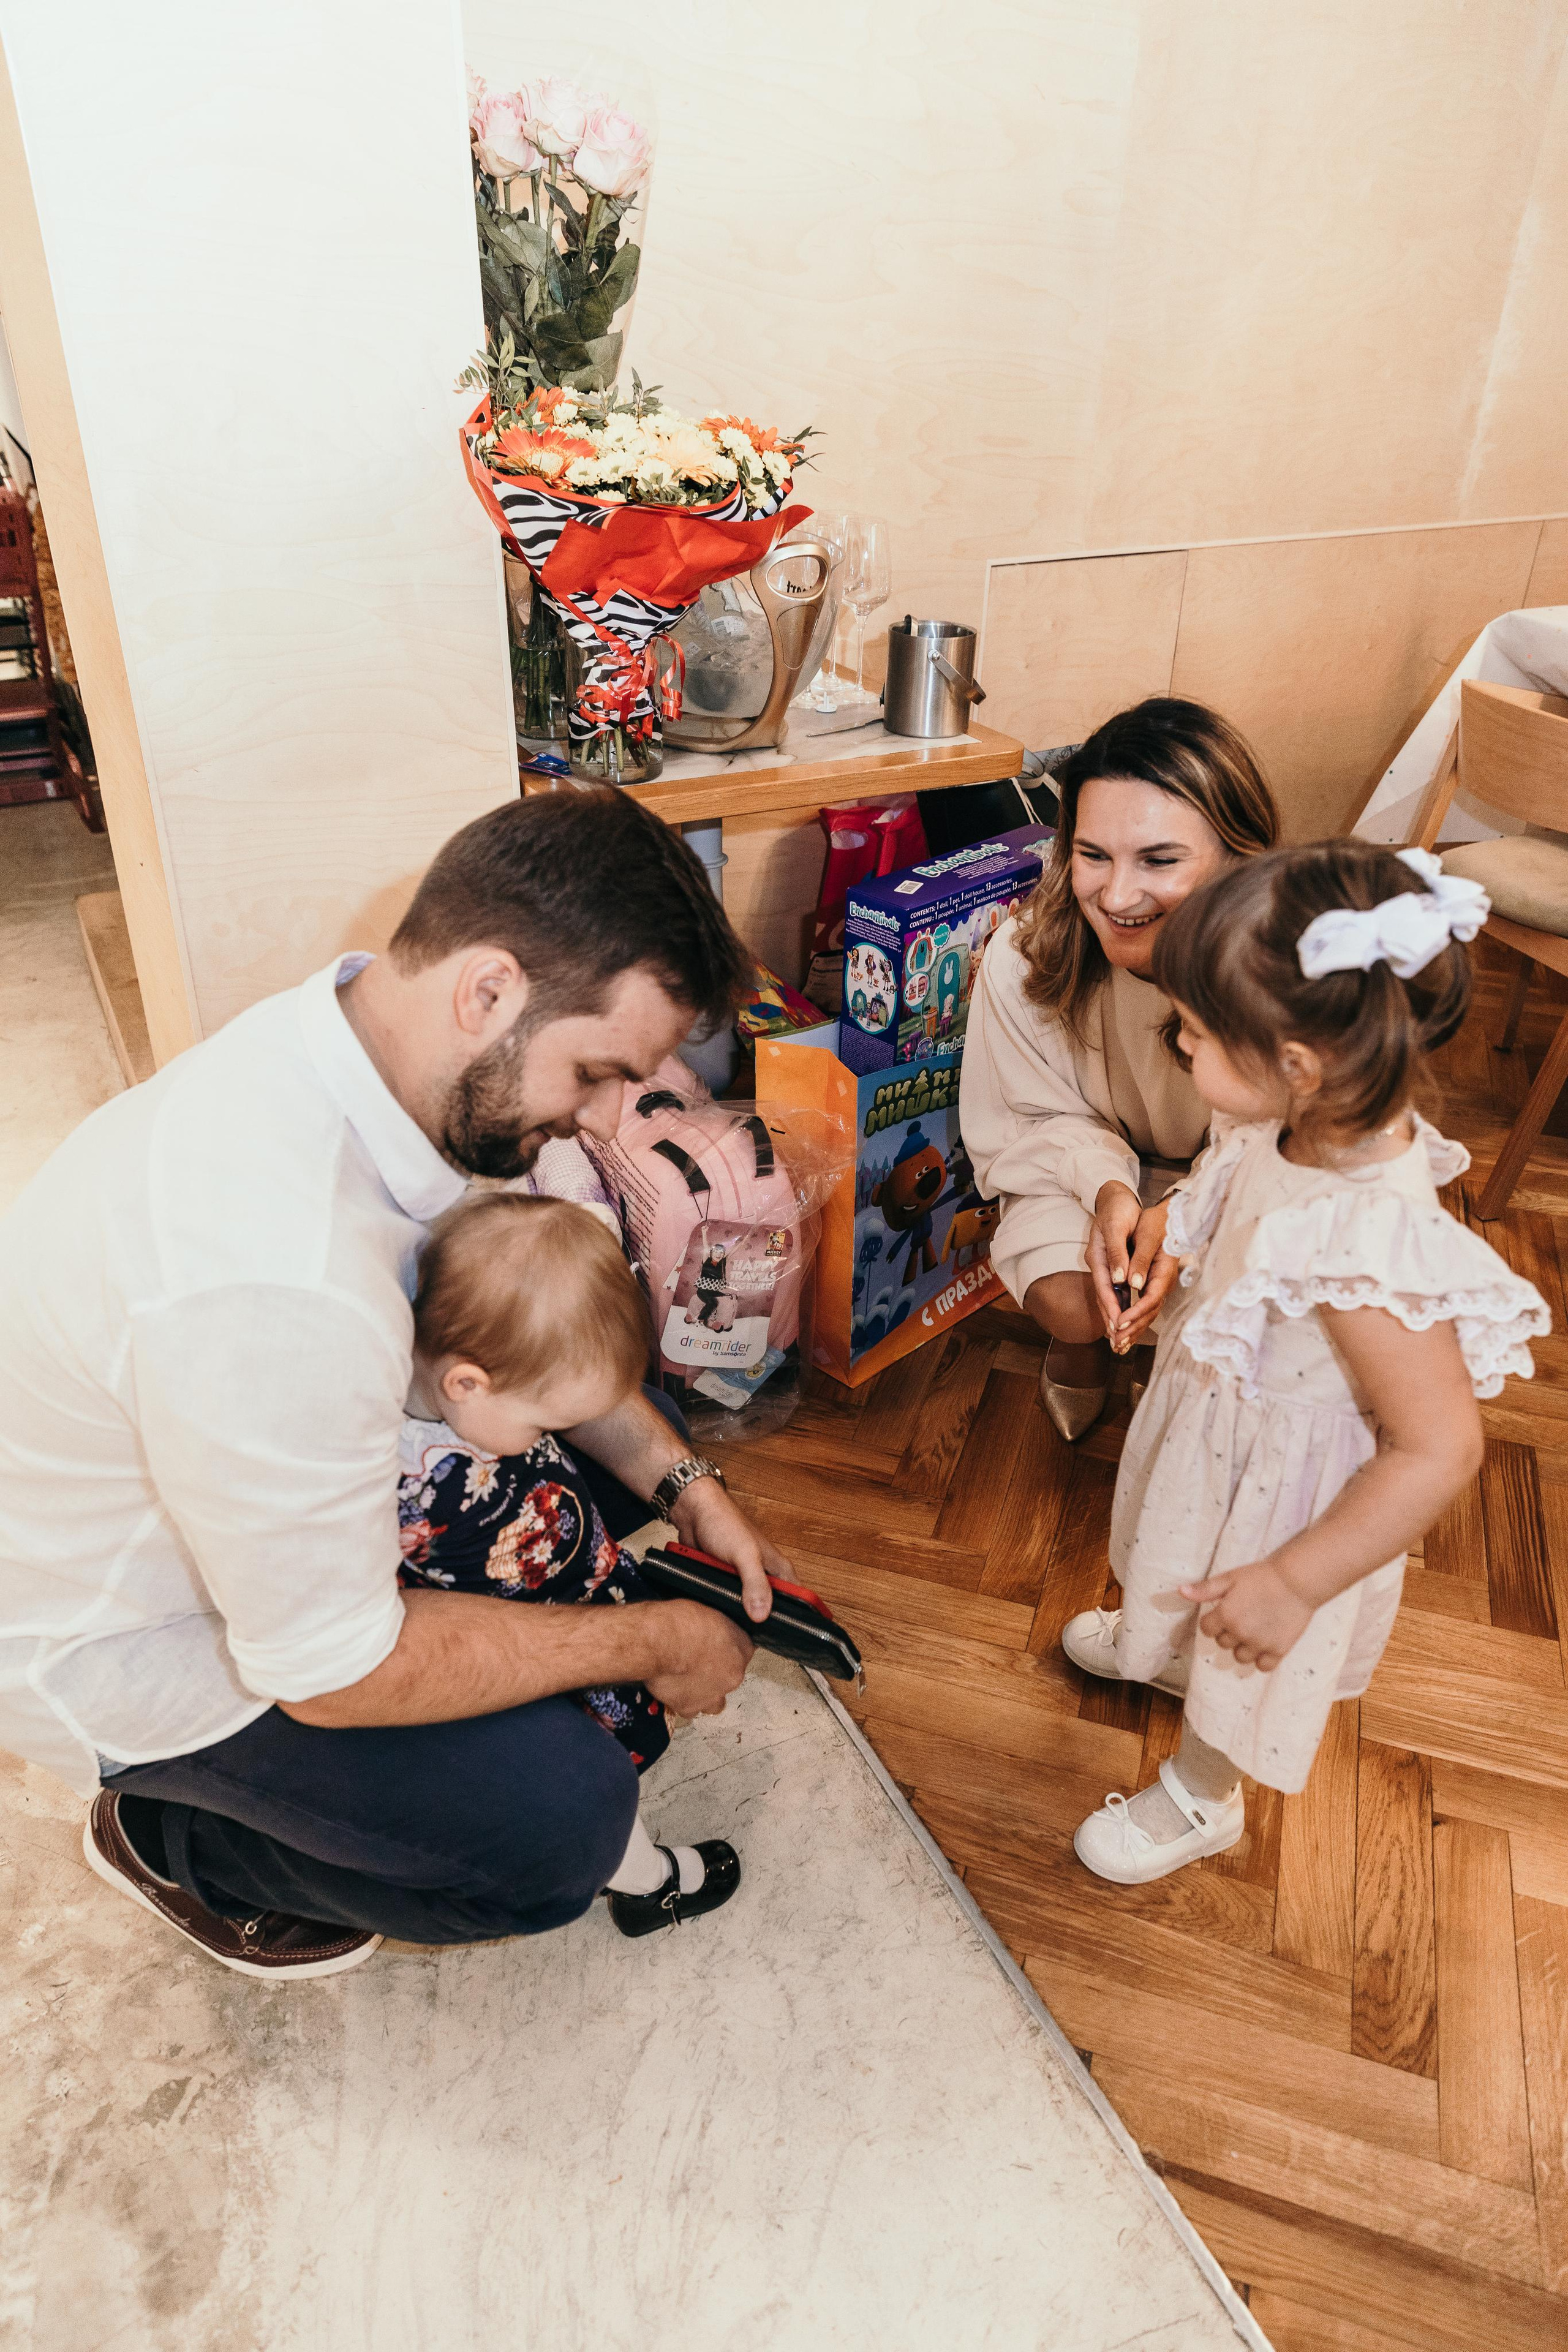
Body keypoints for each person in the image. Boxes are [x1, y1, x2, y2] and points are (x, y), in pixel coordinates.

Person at [0, 788, 793, 1979]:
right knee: (553, 1824)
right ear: (488, 990)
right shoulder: (278, 1282)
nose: (594, 1124)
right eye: (592, 1073)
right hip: (138, 1644)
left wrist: (681, 1481)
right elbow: (331, 1672)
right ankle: (176, 1837)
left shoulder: (358, 1043)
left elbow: (518, 1329)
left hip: (259, 1494)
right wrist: (644, 1638)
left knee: (589, 1371)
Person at [1061, 840, 1548, 1883]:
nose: (1179, 1046)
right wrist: (1172, 1238)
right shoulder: (1294, 1117)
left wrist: (1291, 1581)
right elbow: (1233, 1186)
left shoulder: (1368, 1239)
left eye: (1193, 1034)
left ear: (1297, 1062)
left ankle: (1203, 1792)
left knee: (1247, 1657)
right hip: (1225, 1419)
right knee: (1178, 1553)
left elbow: (1438, 1448)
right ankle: (1164, 1643)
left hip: (1289, 1505)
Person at [396, 1189, 738, 1939]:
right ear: (465, 1383)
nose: (554, 1434)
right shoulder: (397, 1480)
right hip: (525, 1656)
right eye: (547, 1423)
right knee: (593, 1788)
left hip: (570, 1585)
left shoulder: (476, 1390)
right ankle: (647, 1882)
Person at [960, 699, 1280, 1440]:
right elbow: (1029, 1118)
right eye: (1093, 855)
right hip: (1083, 1175)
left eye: (1160, 860)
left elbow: (1292, 1144)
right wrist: (1109, 1189)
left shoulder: (1286, 974)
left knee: (1230, 1303)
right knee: (1077, 1297)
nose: (1117, 896)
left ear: (1237, 855)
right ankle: (1083, 1342)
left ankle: (1187, 1373)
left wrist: (1190, 1208)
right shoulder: (1022, 957)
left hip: (1240, 1180)